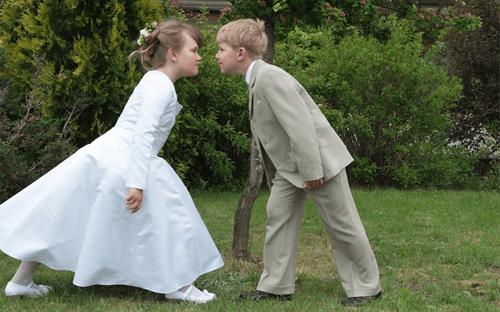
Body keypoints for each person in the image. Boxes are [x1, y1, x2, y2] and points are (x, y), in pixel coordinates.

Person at [0, 21, 223, 304]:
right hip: (125, 157)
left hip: (111, 152)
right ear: (174, 54)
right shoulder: (161, 86)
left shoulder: (156, 81)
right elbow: (143, 134)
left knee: (63, 213)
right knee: (173, 214)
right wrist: (137, 183)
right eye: (194, 49)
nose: (200, 56)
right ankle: (179, 285)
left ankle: (21, 280)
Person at [215, 19, 382, 307]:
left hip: (317, 162)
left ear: (240, 52)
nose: (216, 55)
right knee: (278, 215)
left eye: (220, 49)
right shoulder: (257, 79)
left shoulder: (269, 77)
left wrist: (312, 170)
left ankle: (367, 288)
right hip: (289, 167)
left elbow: (301, 126)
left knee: (341, 223)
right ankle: (276, 285)